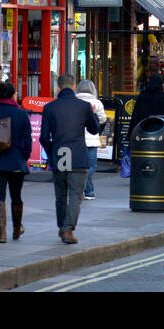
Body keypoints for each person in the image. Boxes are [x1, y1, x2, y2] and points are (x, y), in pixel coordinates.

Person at [40, 73, 102, 245]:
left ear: (58, 88)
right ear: (74, 87)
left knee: (61, 195)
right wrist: (94, 114)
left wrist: (53, 151)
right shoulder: (84, 107)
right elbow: (94, 129)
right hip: (77, 155)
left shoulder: (50, 108)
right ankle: (68, 228)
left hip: (61, 153)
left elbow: (44, 137)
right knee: (76, 194)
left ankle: (62, 227)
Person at [0, 81, 32, 242]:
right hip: (16, 162)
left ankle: (2, 234)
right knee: (16, 197)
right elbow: (28, 141)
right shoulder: (22, 114)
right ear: (13, 95)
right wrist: (24, 157)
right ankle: (17, 229)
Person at [128, 73, 164, 140]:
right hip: (159, 132)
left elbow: (135, 115)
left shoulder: (142, 96)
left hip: (142, 130)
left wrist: (130, 134)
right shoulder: (162, 97)